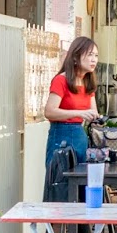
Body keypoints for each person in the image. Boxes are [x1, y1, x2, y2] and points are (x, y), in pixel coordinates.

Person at [44, 36, 100, 166]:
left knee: (81, 181)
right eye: (90, 55)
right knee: (60, 180)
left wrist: (96, 118)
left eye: (96, 56)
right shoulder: (61, 80)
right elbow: (49, 112)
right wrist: (78, 113)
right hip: (60, 136)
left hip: (80, 136)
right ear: (75, 57)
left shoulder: (88, 82)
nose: (94, 60)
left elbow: (93, 112)